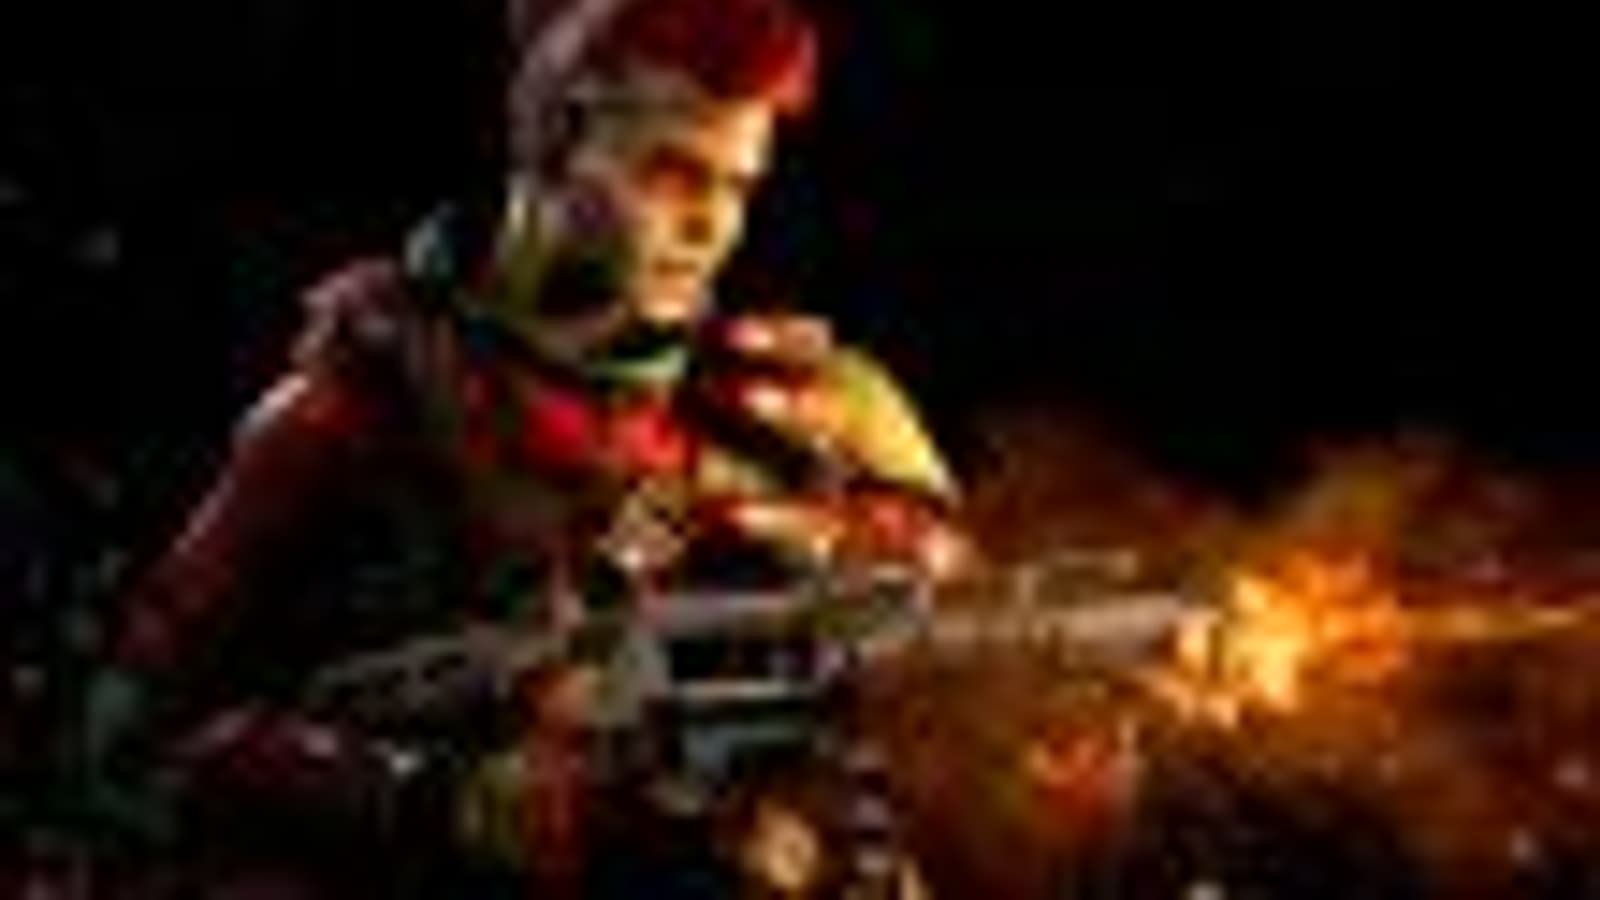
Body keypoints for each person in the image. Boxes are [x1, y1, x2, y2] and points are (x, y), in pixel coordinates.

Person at [85, 0, 968, 890]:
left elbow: (957, 690)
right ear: (558, 137)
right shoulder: (366, 403)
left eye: (739, 187)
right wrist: (435, 805)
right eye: (671, 173)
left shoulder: (802, 411)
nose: (712, 225)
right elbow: (127, 751)